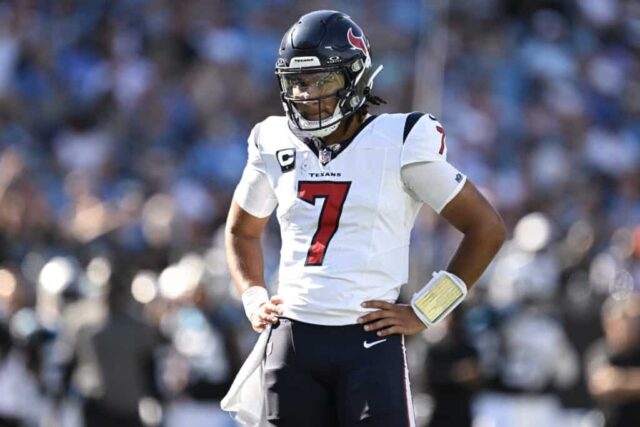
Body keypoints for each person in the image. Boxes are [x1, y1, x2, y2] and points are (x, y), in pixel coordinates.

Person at [224, 10, 506, 427]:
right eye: (298, 83)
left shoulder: (400, 140)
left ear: (355, 78)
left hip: (368, 342)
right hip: (292, 340)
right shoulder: (272, 139)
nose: (306, 95)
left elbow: (486, 229)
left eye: (322, 81)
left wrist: (426, 310)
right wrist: (253, 295)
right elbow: (241, 232)